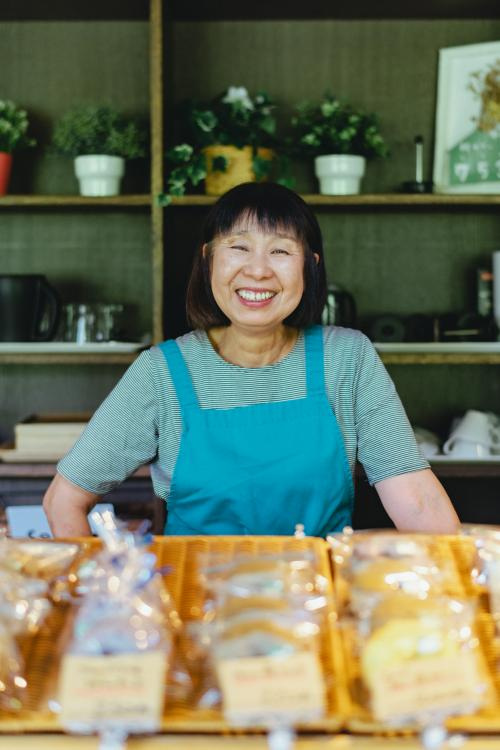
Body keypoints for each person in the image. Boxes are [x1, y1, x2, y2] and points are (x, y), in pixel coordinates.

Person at [43, 182, 460, 537]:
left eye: (280, 251)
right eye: (239, 247)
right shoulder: (162, 373)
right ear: (209, 259)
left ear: (309, 266)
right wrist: (102, 602)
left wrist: (462, 595)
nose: (258, 271)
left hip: (317, 606)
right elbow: (64, 501)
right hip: (196, 612)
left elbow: (417, 501)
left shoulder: (347, 359)